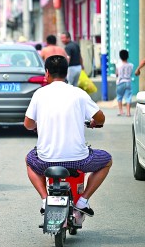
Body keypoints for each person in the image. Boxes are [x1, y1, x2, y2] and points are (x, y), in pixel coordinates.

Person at [24, 55, 112, 217]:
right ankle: (83, 201)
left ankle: (45, 200)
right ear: (66, 73)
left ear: (47, 73)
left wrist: (38, 124)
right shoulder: (79, 94)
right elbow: (101, 118)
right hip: (80, 159)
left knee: (29, 160)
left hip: (45, 160)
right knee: (107, 160)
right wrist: (93, 122)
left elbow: (28, 124)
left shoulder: (39, 94)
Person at [115, 49, 134, 117]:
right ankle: (128, 112)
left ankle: (121, 111)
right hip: (128, 82)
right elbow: (131, 73)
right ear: (127, 56)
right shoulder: (131, 65)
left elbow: (116, 74)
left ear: (120, 57)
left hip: (120, 82)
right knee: (128, 97)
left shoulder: (118, 65)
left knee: (119, 97)